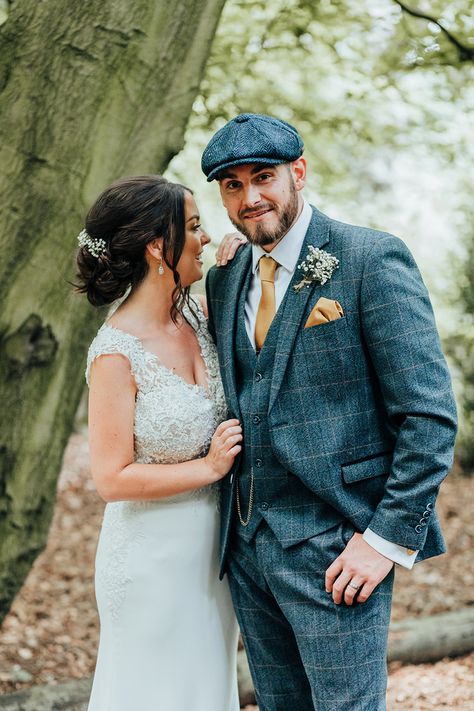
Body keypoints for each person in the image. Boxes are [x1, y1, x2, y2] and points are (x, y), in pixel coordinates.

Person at [201, 113, 457, 710]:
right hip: (247, 547)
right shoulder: (227, 275)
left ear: (299, 172)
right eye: (233, 185)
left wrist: (384, 541)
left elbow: (429, 417)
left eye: (263, 177)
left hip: (340, 551)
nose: (251, 197)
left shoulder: (371, 259)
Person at [75, 175, 240, 711]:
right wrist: (210, 468)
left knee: (204, 690)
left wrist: (240, 258)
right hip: (150, 562)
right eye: (194, 227)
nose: (207, 237)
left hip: (213, 561)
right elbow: (111, 478)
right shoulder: (115, 353)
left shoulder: (195, 313)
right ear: (156, 246)